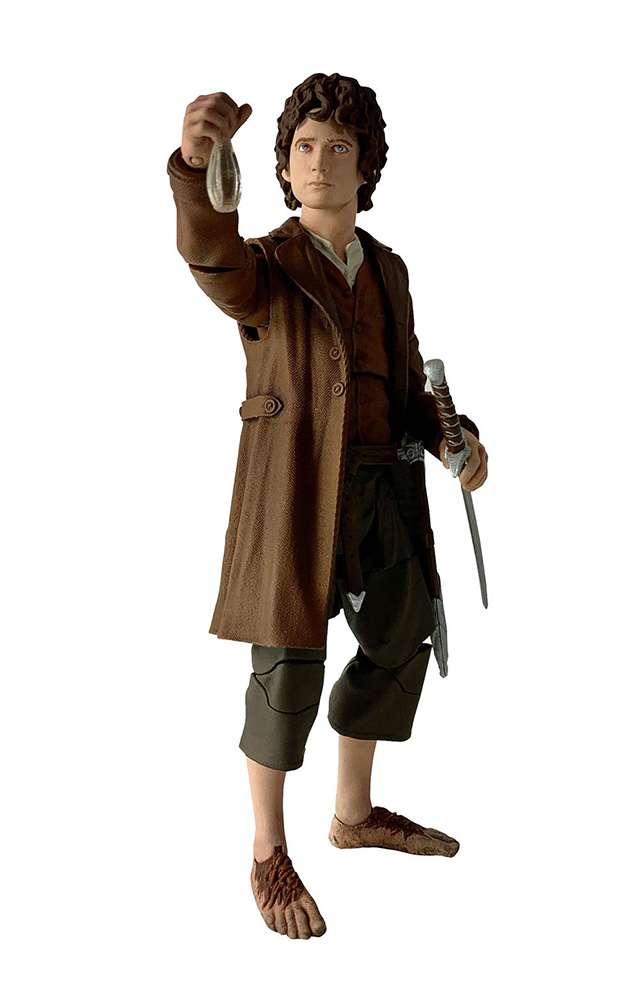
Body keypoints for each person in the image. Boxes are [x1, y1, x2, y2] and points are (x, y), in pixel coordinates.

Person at [167, 72, 488, 940]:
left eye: (338, 147)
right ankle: (267, 853)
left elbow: (408, 383)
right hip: (295, 489)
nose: (318, 162)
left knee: (400, 637)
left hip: (383, 490)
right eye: (304, 146)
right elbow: (210, 256)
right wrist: (195, 171)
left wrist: (456, 440)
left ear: (365, 166)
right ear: (281, 165)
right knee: (286, 671)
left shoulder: (388, 269)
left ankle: (353, 813)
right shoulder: (264, 266)